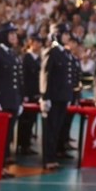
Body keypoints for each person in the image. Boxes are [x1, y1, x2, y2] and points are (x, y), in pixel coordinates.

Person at [0, 23, 22, 177]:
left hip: (12, 101)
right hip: (1, 102)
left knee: (7, 137)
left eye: (15, 33)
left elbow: (17, 80)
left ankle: (2, 166)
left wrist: (19, 100)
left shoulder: (12, 54)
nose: (14, 36)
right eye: (11, 33)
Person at [40, 30, 73, 171]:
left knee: (57, 129)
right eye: (65, 34)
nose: (67, 36)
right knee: (50, 130)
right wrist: (44, 97)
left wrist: (68, 96)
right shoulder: (52, 52)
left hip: (62, 98)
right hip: (52, 97)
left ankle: (53, 156)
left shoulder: (65, 53)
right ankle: (48, 159)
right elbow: (45, 75)